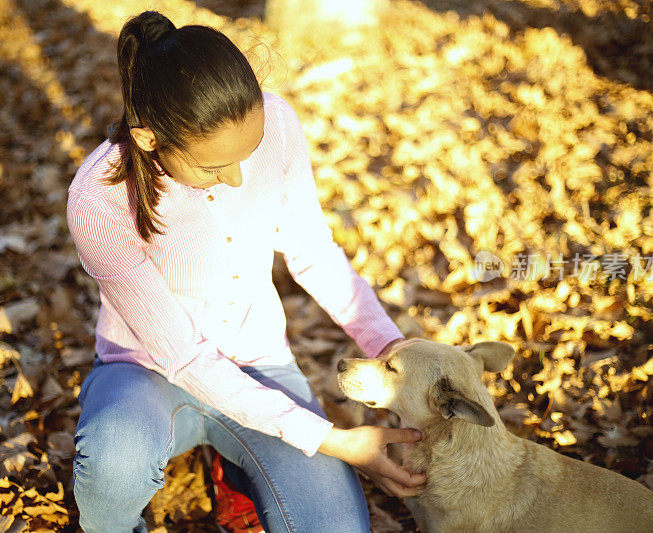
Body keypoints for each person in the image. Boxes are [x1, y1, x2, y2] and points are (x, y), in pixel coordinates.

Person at [67, 10, 426, 533]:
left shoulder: (277, 121)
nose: (235, 179)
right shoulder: (99, 198)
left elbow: (310, 249)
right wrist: (337, 442)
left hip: (260, 363)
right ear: (150, 140)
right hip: (146, 371)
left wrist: (389, 348)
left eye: (247, 154)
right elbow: (186, 359)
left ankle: (235, 469)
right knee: (112, 467)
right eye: (212, 167)